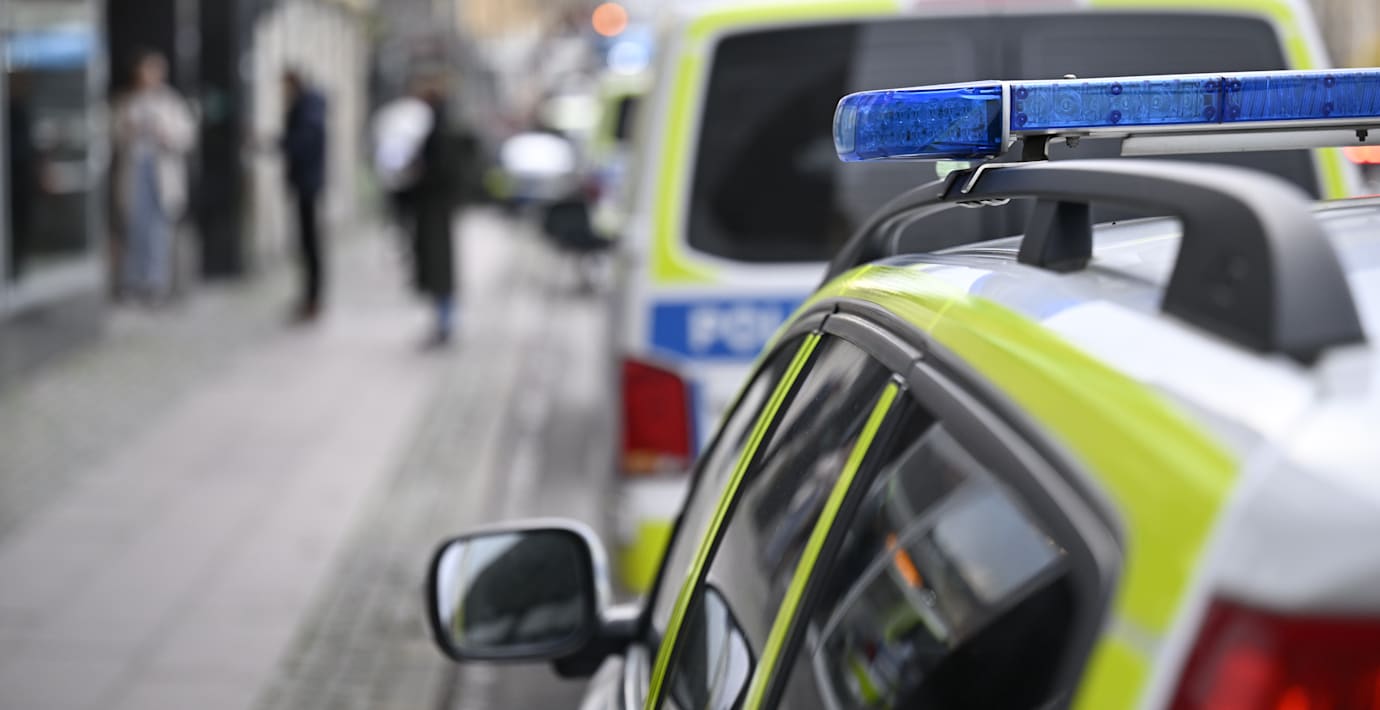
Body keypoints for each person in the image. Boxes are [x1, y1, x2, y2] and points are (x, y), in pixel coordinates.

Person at [111, 49, 195, 303]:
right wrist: (129, 130)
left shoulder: (171, 102)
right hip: (135, 170)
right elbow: (114, 135)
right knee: (135, 228)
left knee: (159, 231)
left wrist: (164, 133)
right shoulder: (127, 102)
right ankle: (133, 282)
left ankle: (157, 283)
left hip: (162, 173)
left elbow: (186, 136)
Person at [407, 78, 463, 346]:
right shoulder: (440, 127)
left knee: (439, 269)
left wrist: (418, 174)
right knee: (439, 269)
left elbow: (440, 170)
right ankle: (443, 321)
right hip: (437, 209)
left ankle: (444, 323)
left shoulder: (439, 132)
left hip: (435, 210)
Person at [280, 69, 328, 321]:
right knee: (307, 244)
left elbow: (304, 141)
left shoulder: (308, 106)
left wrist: (283, 143)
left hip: (307, 184)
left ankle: (313, 299)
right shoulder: (309, 105)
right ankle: (310, 297)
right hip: (306, 182)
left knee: (310, 244)